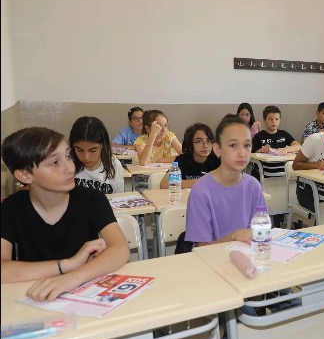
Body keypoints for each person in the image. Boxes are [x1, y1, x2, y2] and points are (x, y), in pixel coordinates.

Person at [1, 127, 130, 301]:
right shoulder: (11, 208)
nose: (70, 168)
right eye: (54, 163)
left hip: (85, 292)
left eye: (68, 156)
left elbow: (120, 249)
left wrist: (73, 277)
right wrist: (67, 265)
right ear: (24, 175)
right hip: (34, 295)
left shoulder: (92, 199)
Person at [185, 114, 267, 245]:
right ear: (217, 149)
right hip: (212, 257)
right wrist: (234, 236)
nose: (242, 153)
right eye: (233, 145)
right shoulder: (201, 190)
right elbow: (201, 248)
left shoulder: (253, 186)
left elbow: (261, 233)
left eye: (247, 145)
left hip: (247, 254)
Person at [70, 116, 125, 194]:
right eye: (79, 150)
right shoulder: (67, 164)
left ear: (103, 146)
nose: (86, 157)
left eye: (93, 150)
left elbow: (119, 196)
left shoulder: (114, 165)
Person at [160, 123, 220, 189]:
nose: (205, 145)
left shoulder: (216, 161)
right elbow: (164, 183)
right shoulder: (182, 160)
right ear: (190, 144)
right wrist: (197, 182)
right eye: (199, 141)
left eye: (208, 141)